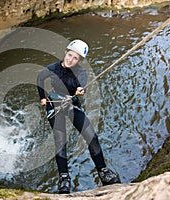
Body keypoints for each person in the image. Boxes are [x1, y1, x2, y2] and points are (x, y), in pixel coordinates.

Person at [36, 39, 121, 194]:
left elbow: (81, 85)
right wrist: (42, 97)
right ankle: (64, 178)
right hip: (54, 103)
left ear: (79, 60)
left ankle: (103, 172)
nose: (70, 60)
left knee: (91, 136)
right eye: (69, 55)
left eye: (75, 58)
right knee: (60, 141)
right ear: (65, 53)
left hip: (71, 102)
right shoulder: (53, 68)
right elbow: (40, 78)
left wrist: (80, 90)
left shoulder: (81, 72)